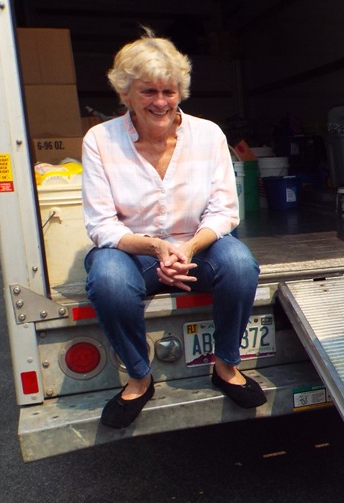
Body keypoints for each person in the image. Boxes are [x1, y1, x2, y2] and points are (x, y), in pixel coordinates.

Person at [81, 30, 264, 429]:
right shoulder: (100, 140)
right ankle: (139, 377)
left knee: (239, 263)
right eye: (149, 91)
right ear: (126, 93)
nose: (161, 102)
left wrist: (189, 247)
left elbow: (223, 211)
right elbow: (101, 224)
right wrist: (156, 248)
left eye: (170, 91)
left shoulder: (208, 134)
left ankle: (226, 365)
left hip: (196, 249)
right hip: (132, 254)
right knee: (107, 278)